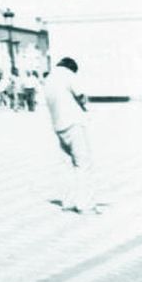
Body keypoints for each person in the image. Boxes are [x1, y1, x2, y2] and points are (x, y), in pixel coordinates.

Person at [43, 57, 96, 213]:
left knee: (66, 165)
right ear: (72, 68)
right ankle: (85, 205)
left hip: (58, 125)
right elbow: (80, 95)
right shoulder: (68, 75)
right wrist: (85, 106)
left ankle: (68, 201)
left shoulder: (49, 79)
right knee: (83, 164)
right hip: (73, 123)